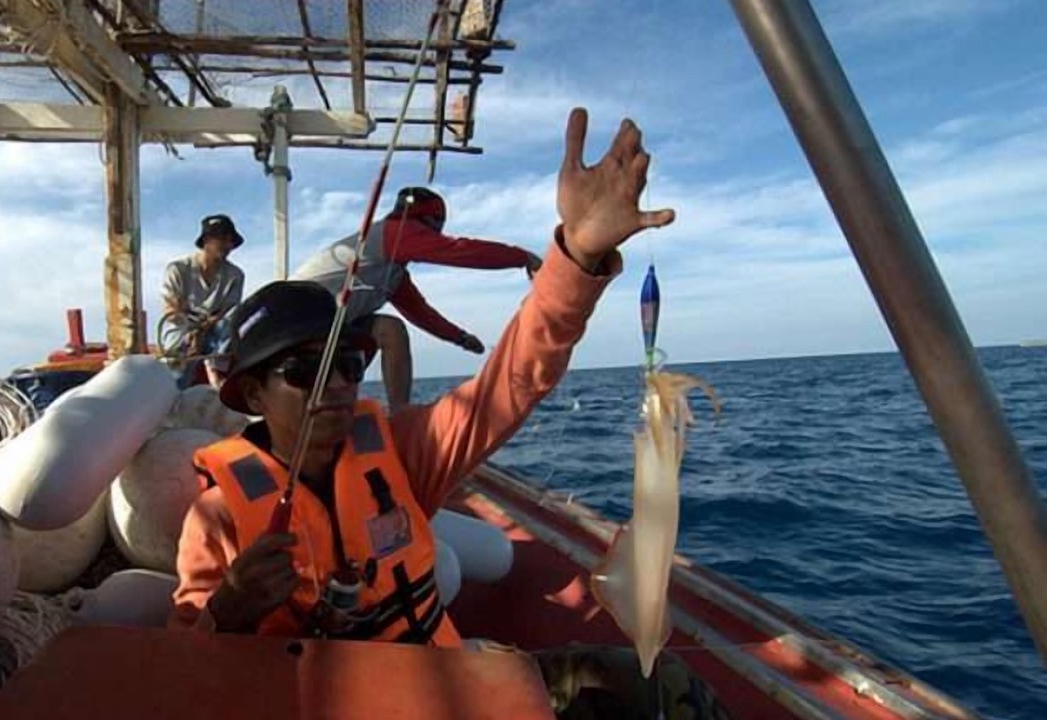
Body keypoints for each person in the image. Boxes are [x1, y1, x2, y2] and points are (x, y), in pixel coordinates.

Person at [171, 110, 730, 719]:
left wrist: (575, 256)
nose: (334, 385)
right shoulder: (218, 517)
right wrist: (227, 612)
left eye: (349, 367)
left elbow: (508, 387)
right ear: (252, 395)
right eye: (304, 372)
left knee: (661, 687)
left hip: (447, 688)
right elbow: (180, 677)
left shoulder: (403, 452)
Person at [291, 185, 542, 412]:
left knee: (391, 330)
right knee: (383, 333)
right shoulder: (394, 232)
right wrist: (523, 257)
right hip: (294, 322)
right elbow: (460, 251)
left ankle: (399, 415)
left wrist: (460, 338)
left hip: (325, 331)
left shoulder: (392, 271)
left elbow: (420, 312)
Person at [161, 213, 246, 388]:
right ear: (206, 240)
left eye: (230, 241)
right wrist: (192, 334)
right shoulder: (177, 269)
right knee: (177, 374)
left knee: (235, 322)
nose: (227, 245)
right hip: (182, 330)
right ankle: (174, 387)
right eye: (221, 239)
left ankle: (216, 372)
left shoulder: (235, 275)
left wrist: (202, 330)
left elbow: (226, 313)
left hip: (213, 331)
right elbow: (171, 311)